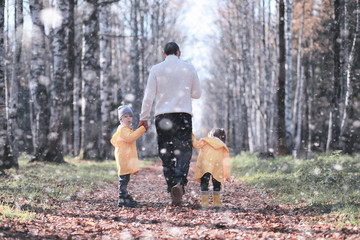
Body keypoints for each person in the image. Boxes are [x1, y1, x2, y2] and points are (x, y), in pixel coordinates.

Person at [138, 42, 201, 206]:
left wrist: (143, 117)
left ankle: (171, 185)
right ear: (179, 53)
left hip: (163, 116)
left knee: (166, 153)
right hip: (183, 115)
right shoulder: (189, 68)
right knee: (184, 151)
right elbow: (197, 94)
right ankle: (179, 182)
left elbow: (149, 96)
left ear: (164, 54)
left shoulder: (156, 69)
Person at [111, 105, 146, 208]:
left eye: (130, 116)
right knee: (123, 179)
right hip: (124, 158)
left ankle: (125, 196)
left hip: (125, 157)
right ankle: (122, 198)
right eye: (126, 116)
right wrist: (142, 129)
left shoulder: (125, 129)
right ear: (121, 118)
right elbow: (130, 138)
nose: (129, 118)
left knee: (125, 178)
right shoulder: (123, 129)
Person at [192, 128, 231, 207]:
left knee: (204, 183)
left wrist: (191, 134)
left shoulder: (205, 141)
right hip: (217, 167)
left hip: (205, 165)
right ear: (221, 136)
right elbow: (226, 162)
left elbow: (195, 145)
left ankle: (204, 203)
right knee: (216, 184)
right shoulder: (223, 146)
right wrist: (227, 175)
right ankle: (216, 203)